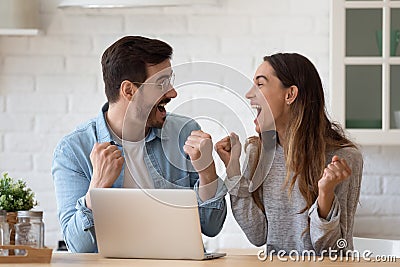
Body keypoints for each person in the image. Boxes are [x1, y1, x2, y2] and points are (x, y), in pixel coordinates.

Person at [52, 36, 227, 253]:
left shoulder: (185, 133)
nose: (173, 92)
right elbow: (79, 247)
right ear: (129, 91)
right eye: (161, 83)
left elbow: (211, 226)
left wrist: (207, 172)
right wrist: (97, 187)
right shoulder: (73, 150)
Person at [214, 53, 363, 254]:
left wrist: (325, 195)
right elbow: (258, 235)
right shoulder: (257, 152)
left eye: (260, 84)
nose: (249, 94)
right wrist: (232, 169)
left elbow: (334, 252)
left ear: (290, 94)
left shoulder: (343, 158)